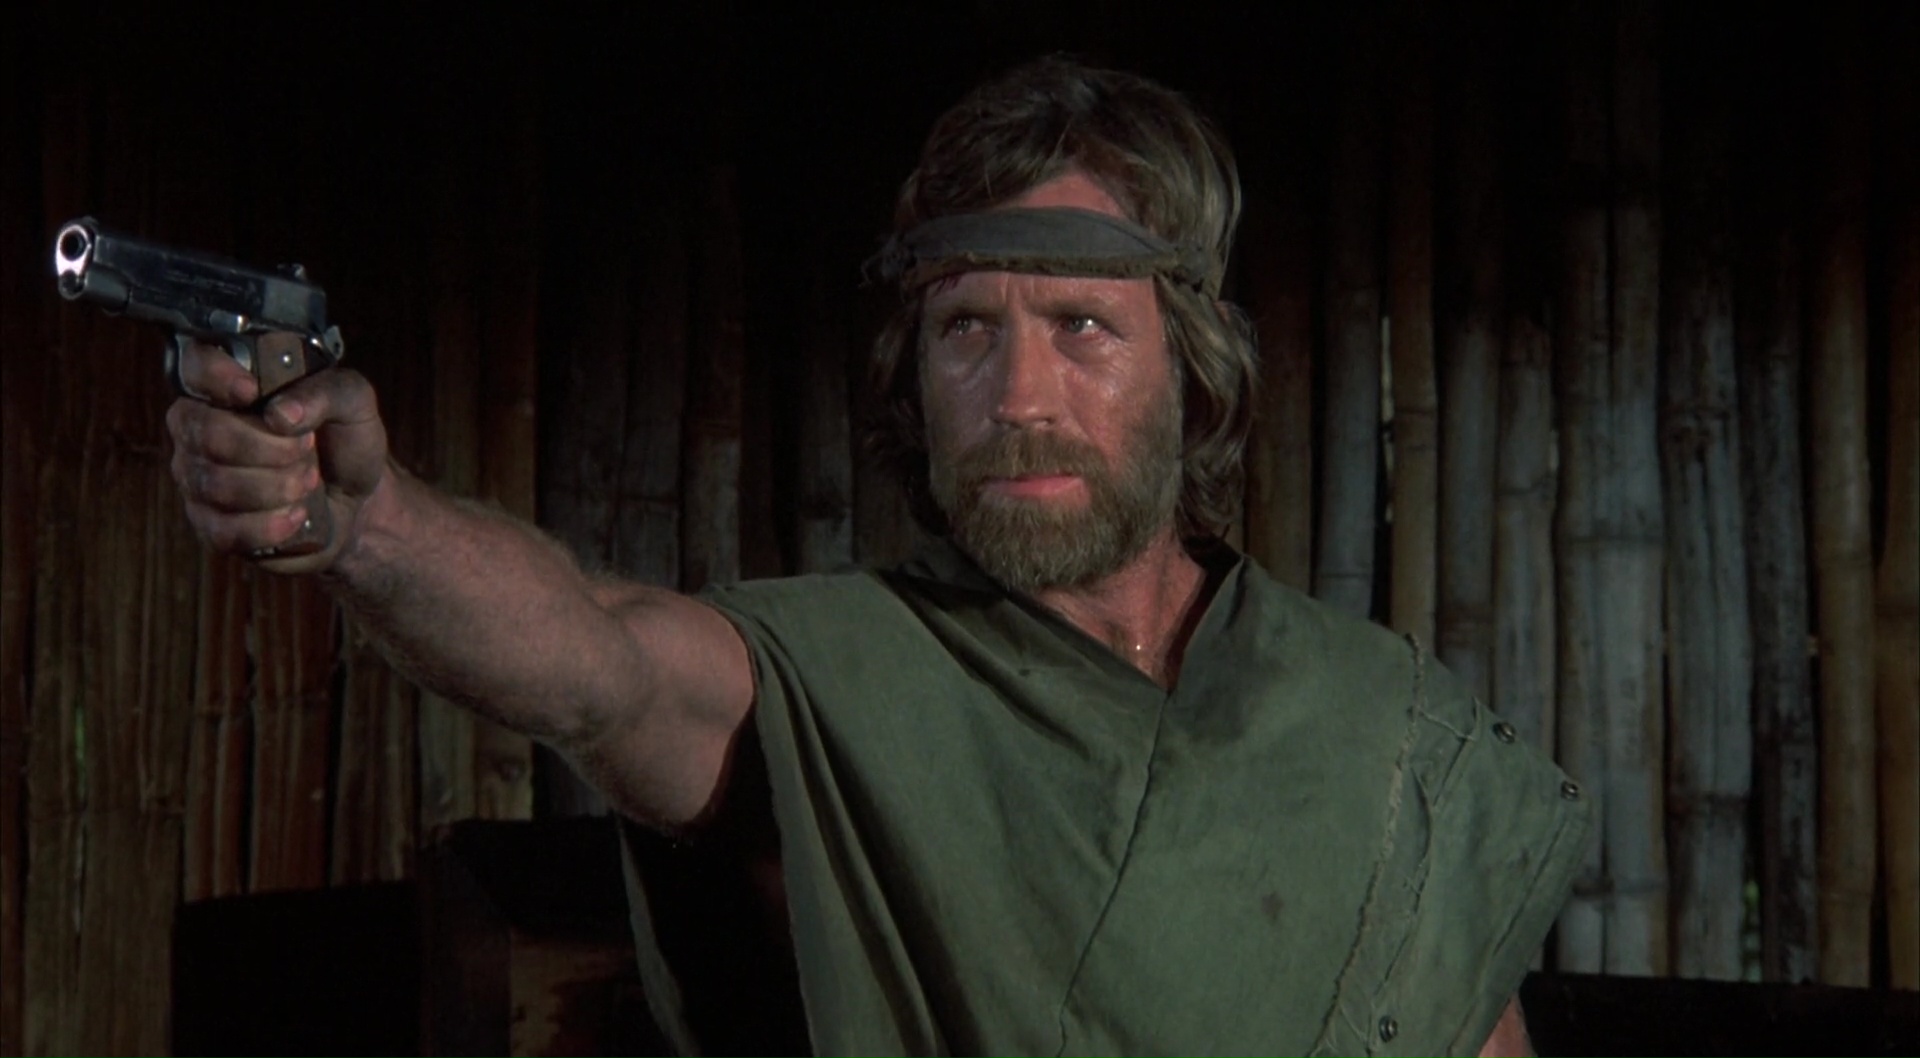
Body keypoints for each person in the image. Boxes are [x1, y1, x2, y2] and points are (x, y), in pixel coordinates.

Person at [166, 57, 1588, 1058]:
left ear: (1191, 368)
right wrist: (368, 525)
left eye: (1082, 327)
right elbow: (602, 661)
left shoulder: (1371, 719)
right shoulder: (845, 681)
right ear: (915, 371)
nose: (1018, 393)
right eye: (968, 329)